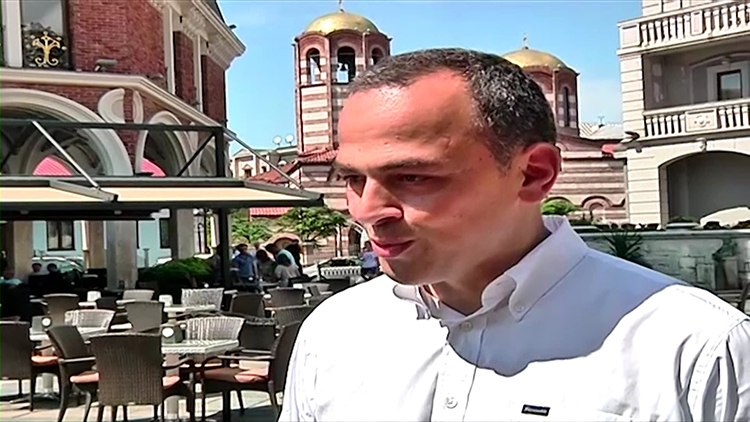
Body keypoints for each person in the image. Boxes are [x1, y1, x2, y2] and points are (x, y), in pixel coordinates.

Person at [280, 49, 750, 421]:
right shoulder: (334, 331)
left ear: (533, 174)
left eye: (413, 177)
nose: (366, 211)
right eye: (353, 179)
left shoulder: (696, 348)